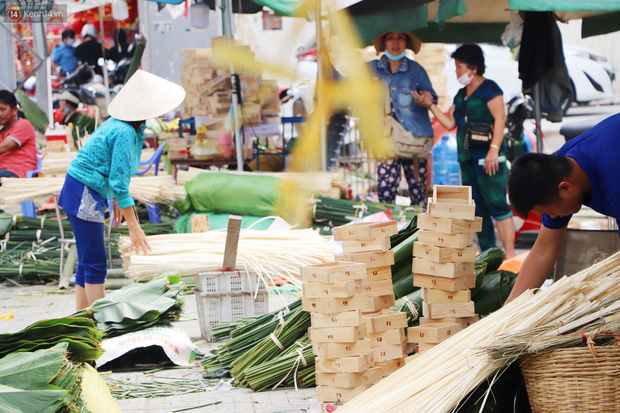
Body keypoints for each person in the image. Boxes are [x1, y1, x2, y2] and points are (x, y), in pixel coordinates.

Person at [58, 70, 185, 310]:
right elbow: (118, 182)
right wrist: (135, 228)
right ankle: (100, 322)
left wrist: (116, 199)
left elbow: (115, 173)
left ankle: (83, 319)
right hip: (82, 191)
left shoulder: (126, 127)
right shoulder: (125, 131)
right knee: (95, 261)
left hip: (82, 187)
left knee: (87, 259)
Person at [505, 113, 620, 303]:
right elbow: (544, 250)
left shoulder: (614, 181)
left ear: (565, 187)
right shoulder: (557, 169)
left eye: (551, 211)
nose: (553, 216)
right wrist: (508, 311)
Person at [415, 44, 516, 258]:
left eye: (460, 66)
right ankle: (489, 254)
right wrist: (430, 105)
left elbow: (500, 118)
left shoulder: (490, 89)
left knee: (497, 204)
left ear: (473, 67)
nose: (456, 71)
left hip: (490, 158)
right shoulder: (461, 95)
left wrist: (493, 150)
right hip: (468, 159)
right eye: (456, 66)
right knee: (478, 208)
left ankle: (510, 255)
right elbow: (450, 122)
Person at [369, 31, 436, 207]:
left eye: (400, 38)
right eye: (390, 37)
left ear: (406, 42)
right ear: (384, 42)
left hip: (414, 141)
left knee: (418, 193)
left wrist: (425, 99)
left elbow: (431, 97)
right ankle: (388, 231)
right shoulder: (371, 68)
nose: (395, 42)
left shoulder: (417, 71)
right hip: (385, 140)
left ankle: (417, 232)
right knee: (385, 193)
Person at [0, 90, 38, 181]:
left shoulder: (23, 124)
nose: (0, 114)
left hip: (18, 174)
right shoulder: (2, 132)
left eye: (3, 109)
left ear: (15, 110)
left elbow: (4, 147)